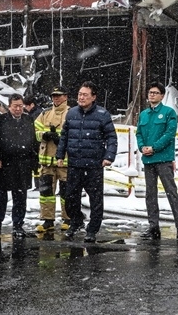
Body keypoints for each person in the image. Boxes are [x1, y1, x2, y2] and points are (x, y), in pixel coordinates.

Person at [56, 81, 117, 243]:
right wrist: (60, 155)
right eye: (79, 95)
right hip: (75, 164)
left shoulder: (102, 115)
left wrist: (109, 156)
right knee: (70, 197)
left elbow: (111, 137)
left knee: (95, 199)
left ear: (93, 97)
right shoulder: (72, 113)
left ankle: (92, 229)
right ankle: (76, 221)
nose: (81, 98)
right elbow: (64, 136)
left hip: (94, 165)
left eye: (85, 95)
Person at [136, 81, 178, 240]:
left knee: (171, 192)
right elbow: (139, 134)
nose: (152, 95)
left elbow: (169, 134)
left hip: (163, 159)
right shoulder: (143, 114)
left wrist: (154, 147)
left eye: (155, 93)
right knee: (150, 194)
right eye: (150, 92)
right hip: (148, 160)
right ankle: (153, 226)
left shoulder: (169, 113)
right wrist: (142, 147)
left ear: (162, 96)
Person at [0, 93, 38, 238]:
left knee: (20, 196)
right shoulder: (0, 120)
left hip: (23, 164)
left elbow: (33, 141)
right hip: (5, 163)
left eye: (20, 106)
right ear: (9, 106)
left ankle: (18, 225)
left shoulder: (28, 119)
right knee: (1, 195)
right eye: (15, 106)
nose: (18, 109)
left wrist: (34, 161)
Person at [34, 86, 71, 232]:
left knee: (66, 192)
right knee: (46, 193)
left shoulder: (71, 113)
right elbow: (35, 131)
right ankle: (47, 220)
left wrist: (61, 139)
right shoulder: (45, 114)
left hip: (65, 161)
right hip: (46, 161)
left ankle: (68, 218)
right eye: (53, 95)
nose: (55, 98)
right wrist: (44, 135)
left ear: (65, 97)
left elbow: (75, 134)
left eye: (59, 95)